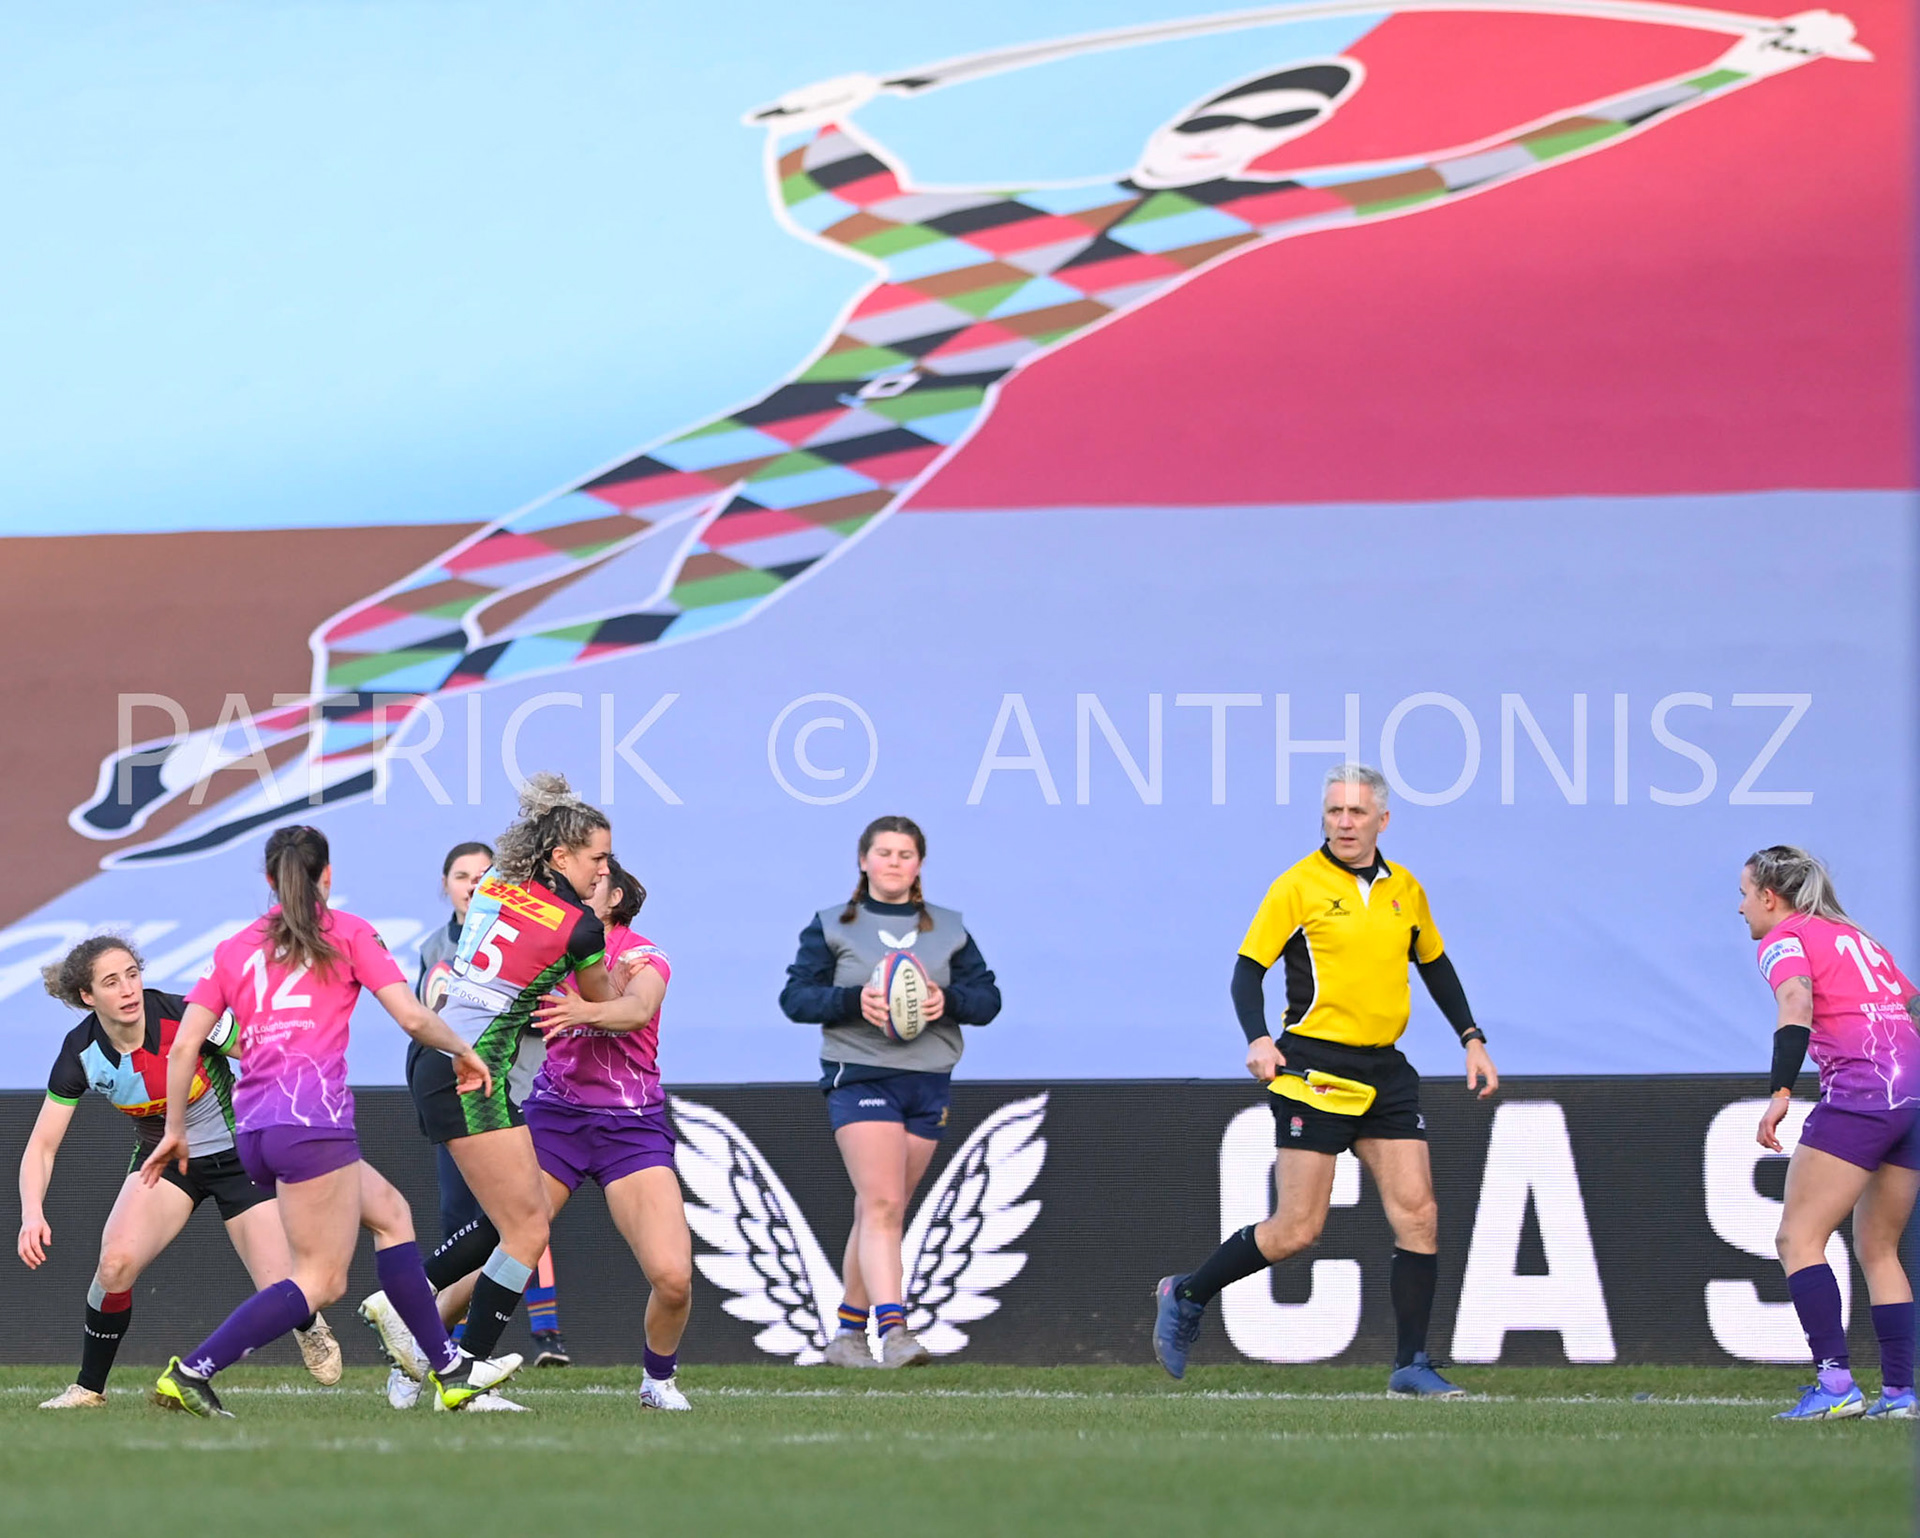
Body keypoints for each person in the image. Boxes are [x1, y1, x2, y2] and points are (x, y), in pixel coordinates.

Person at [68, 10, 1874, 865]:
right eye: (1248, 101)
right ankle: (278, 742)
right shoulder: (989, 216)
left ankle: (298, 754)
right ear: (1193, 113)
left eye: (1282, 113)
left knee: (627, 624)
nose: (1256, 127)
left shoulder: (1222, 223)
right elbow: (835, 189)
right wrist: (813, 114)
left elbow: (1469, 167)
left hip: (881, 449)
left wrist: (1722, 73)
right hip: (777, 419)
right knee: (446, 601)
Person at [141, 825, 516, 1417]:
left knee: (391, 1215)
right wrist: (463, 1051)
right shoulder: (347, 932)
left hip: (258, 1129)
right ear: (328, 876)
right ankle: (193, 1371)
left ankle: (448, 1368)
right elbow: (414, 1019)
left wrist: (175, 1130)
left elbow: (185, 1045)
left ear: (269, 880)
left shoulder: (235, 947)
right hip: (311, 1123)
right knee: (321, 1282)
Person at [1152, 763, 1497, 1395]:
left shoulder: (1406, 891)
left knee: (1419, 1214)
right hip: (1313, 1069)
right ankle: (1188, 1293)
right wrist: (1257, 1038)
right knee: (1296, 1230)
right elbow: (1246, 972)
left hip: (1386, 1069)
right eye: (1335, 811)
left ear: (1382, 821)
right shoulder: (1297, 886)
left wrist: (1471, 1039)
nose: (1344, 822)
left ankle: (1411, 1364)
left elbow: (1437, 967)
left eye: (1357, 812)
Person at [359, 772, 613, 1399]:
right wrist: (636, 979)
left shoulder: (497, 882)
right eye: (597, 859)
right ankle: (450, 1357)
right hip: (473, 1070)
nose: (602, 872)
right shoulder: (581, 926)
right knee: (526, 1229)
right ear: (560, 856)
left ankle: (437, 1341)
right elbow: (603, 1005)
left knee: (515, 1223)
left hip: (436, 1056)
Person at [416, 857, 695, 1407]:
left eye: (596, 878)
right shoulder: (553, 944)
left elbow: (637, 1010)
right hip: (557, 1116)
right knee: (510, 1243)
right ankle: (420, 1350)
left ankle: (657, 1380)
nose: (580, 884)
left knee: (673, 1277)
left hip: (630, 1126)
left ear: (614, 898)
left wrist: (585, 1011)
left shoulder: (645, 955)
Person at [18, 935, 341, 1407]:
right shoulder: (81, 1052)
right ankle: (89, 1388)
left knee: (283, 1291)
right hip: (164, 1165)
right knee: (114, 1265)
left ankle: (308, 1323)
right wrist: (31, 1213)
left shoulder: (186, 1015)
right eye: (111, 982)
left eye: (132, 974)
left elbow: (268, 1054)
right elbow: (41, 1147)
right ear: (87, 997)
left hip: (240, 1160)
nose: (128, 989)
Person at [779, 815, 1001, 1367]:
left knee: (880, 1210)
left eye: (905, 854)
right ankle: (894, 1331)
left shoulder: (948, 928)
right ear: (863, 860)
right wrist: (857, 1001)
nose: (894, 862)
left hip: (928, 1080)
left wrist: (944, 1001)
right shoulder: (832, 925)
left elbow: (989, 1000)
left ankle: (847, 1336)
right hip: (861, 1074)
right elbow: (796, 998)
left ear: (919, 864)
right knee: (882, 1203)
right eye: (884, 852)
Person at [1740, 844, 1919, 1421]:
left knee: (1797, 1238)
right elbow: (1914, 1007)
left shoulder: (1783, 938)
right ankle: (1899, 1395)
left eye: (1744, 895)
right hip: (1911, 1094)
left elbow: (1796, 1001)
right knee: (1879, 1248)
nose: (1740, 909)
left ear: (1770, 896)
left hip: (1864, 1092)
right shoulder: (1856, 936)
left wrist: (1781, 1092)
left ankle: (1836, 1383)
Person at [413, 839, 569, 1371]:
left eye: (484, 874)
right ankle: (435, 1342)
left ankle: (545, 1331)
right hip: (458, 1088)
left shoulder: (535, 933)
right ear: (446, 885)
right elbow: (428, 1016)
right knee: (465, 1217)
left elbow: (547, 1007)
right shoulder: (436, 947)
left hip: (520, 1088)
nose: (474, 884)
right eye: (462, 875)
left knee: (524, 1215)